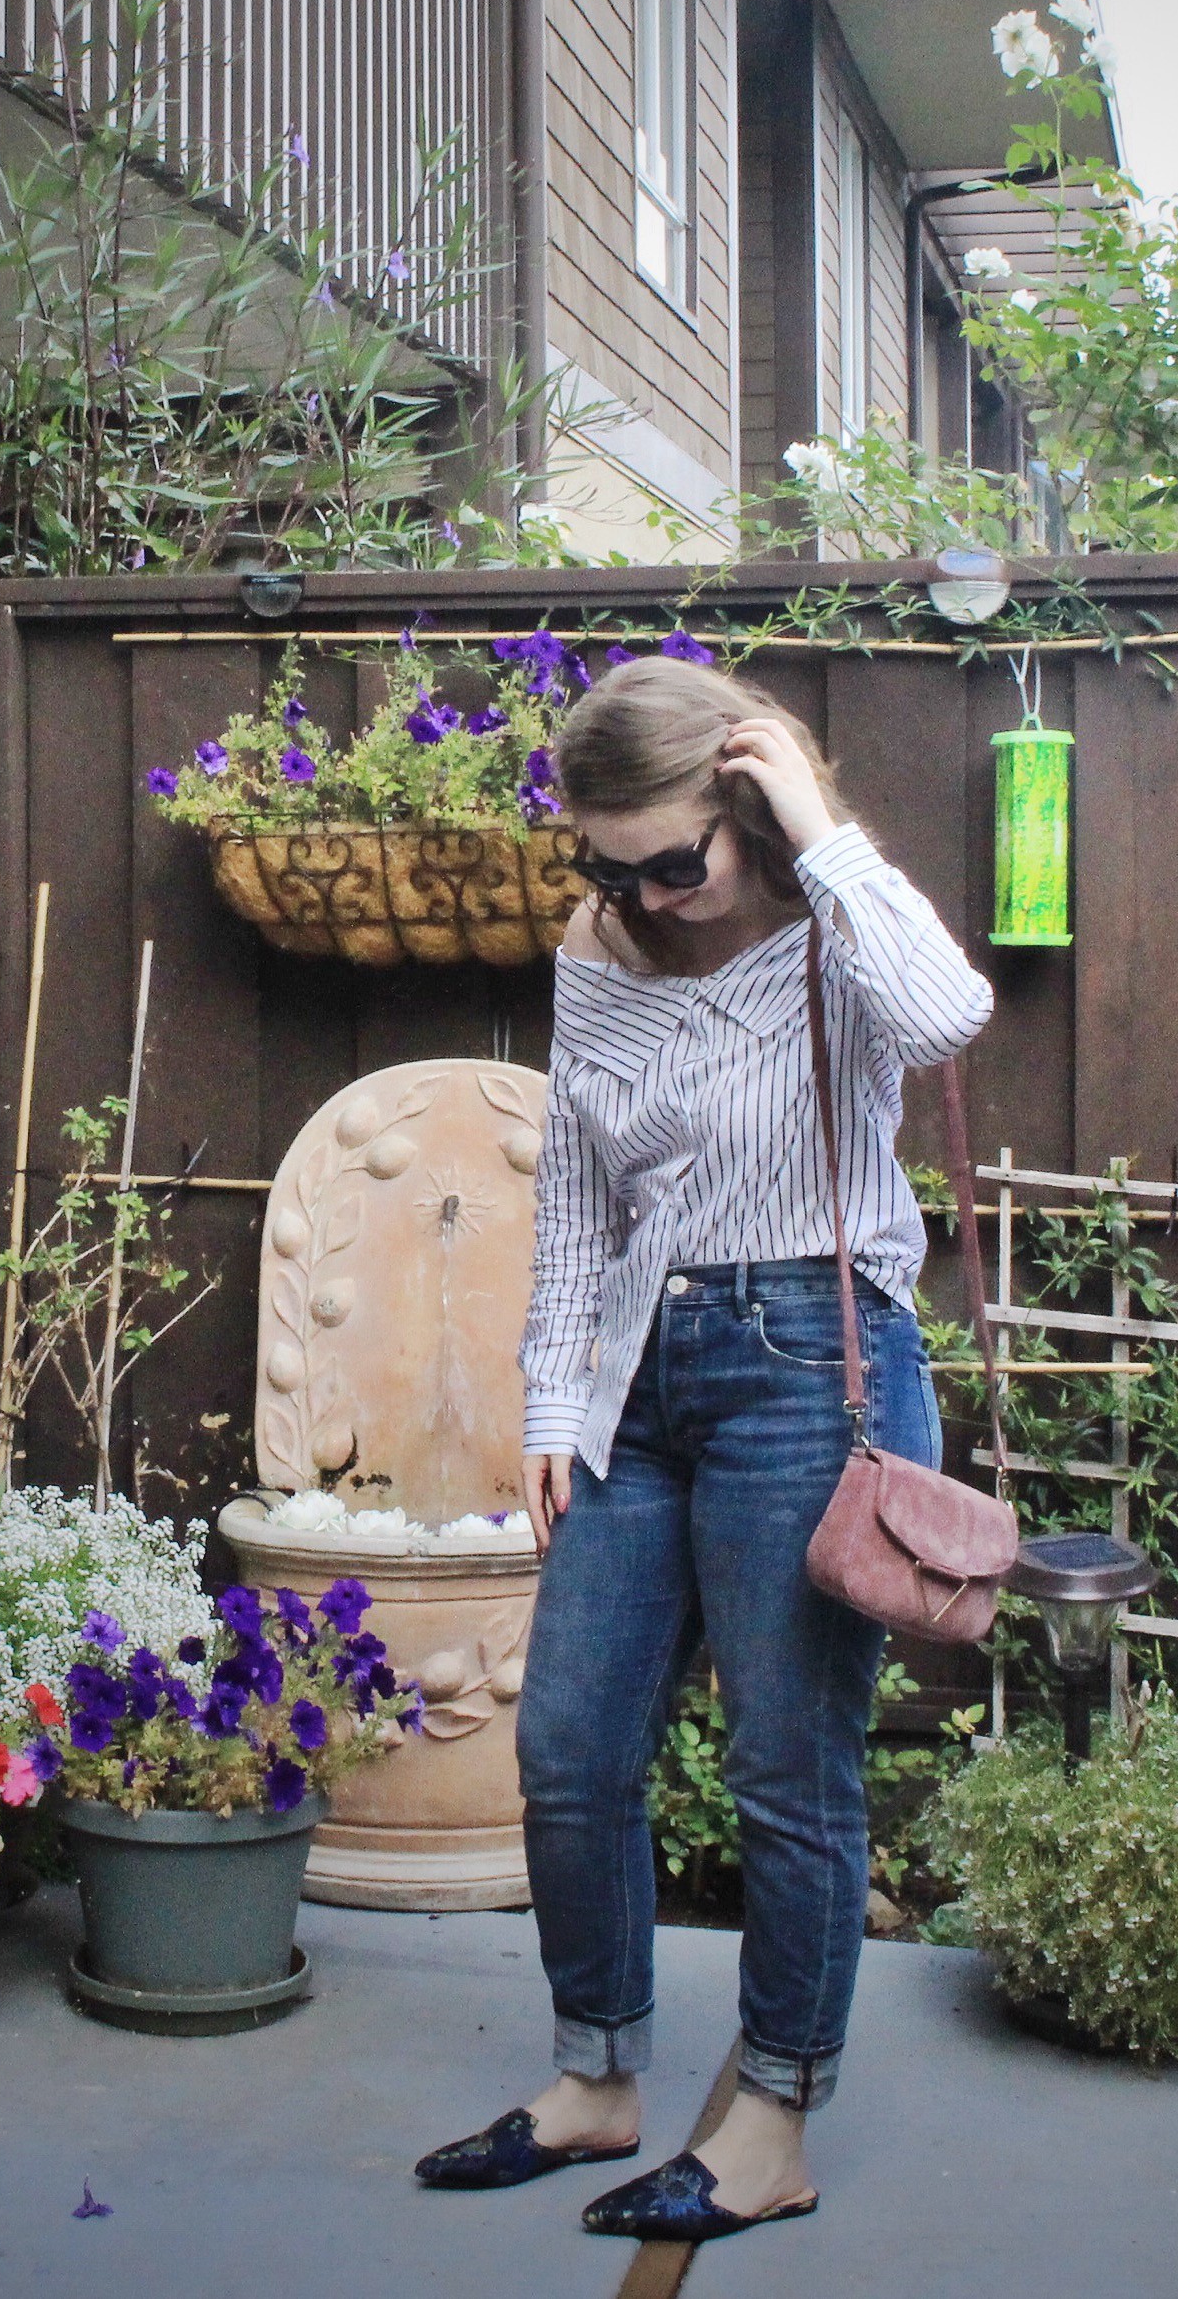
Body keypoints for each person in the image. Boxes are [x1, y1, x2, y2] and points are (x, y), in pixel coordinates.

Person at [414, 654, 992, 2245]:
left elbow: (949, 1015)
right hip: (635, 1380)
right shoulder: (601, 948)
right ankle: (597, 2073)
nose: (653, 893)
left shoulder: (834, 933)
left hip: (808, 1365)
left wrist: (812, 827)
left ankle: (776, 2119)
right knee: (570, 1747)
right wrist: (552, 1401)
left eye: (680, 856)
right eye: (611, 863)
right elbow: (585, 1196)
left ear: (743, 803)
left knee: (786, 1770)